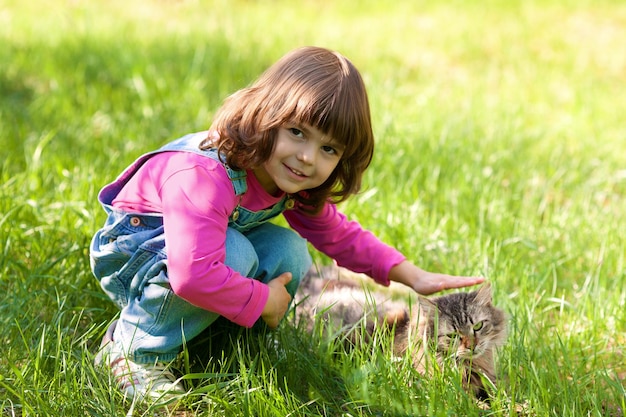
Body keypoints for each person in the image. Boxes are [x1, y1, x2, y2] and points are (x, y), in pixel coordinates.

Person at [90, 46, 484, 402]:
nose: (308, 158)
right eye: (297, 133)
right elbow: (191, 274)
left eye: (328, 148)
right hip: (135, 256)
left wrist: (411, 276)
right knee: (236, 252)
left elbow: (337, 234)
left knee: (289, 251)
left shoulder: (285, 176)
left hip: (196, 257)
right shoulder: (202, 176)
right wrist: (265, 300)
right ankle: (132, 350)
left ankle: (231, 344)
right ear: (266, 117)